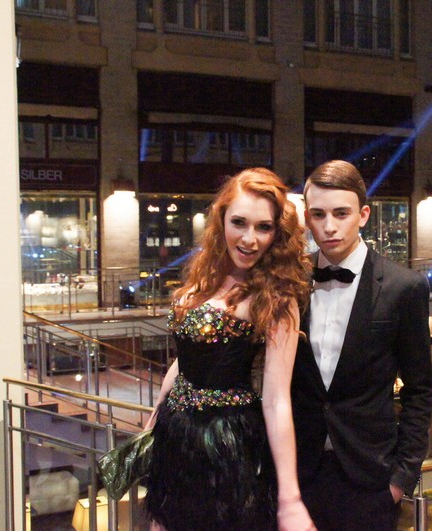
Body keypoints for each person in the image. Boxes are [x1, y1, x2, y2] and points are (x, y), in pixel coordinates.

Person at [144, 168, 316, 531]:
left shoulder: (277, 298)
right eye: (239, 222)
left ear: (276, 233)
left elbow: (277, 400)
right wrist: (155, 417)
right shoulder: (204, 278)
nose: (250, 239)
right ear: (221, 219)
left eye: (264, 227)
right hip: (175, 435)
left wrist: (290, 499)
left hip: (226, 444)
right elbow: (187, 357)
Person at [292, 160, 432, 530]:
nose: (329, 226)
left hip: (370, 481)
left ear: (363, 215)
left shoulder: (404, 287)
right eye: (318, 214)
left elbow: (420, 389)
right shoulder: (290, 281)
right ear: (307, 218)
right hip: (298, 475)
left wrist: (400, 480)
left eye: (341, 213)